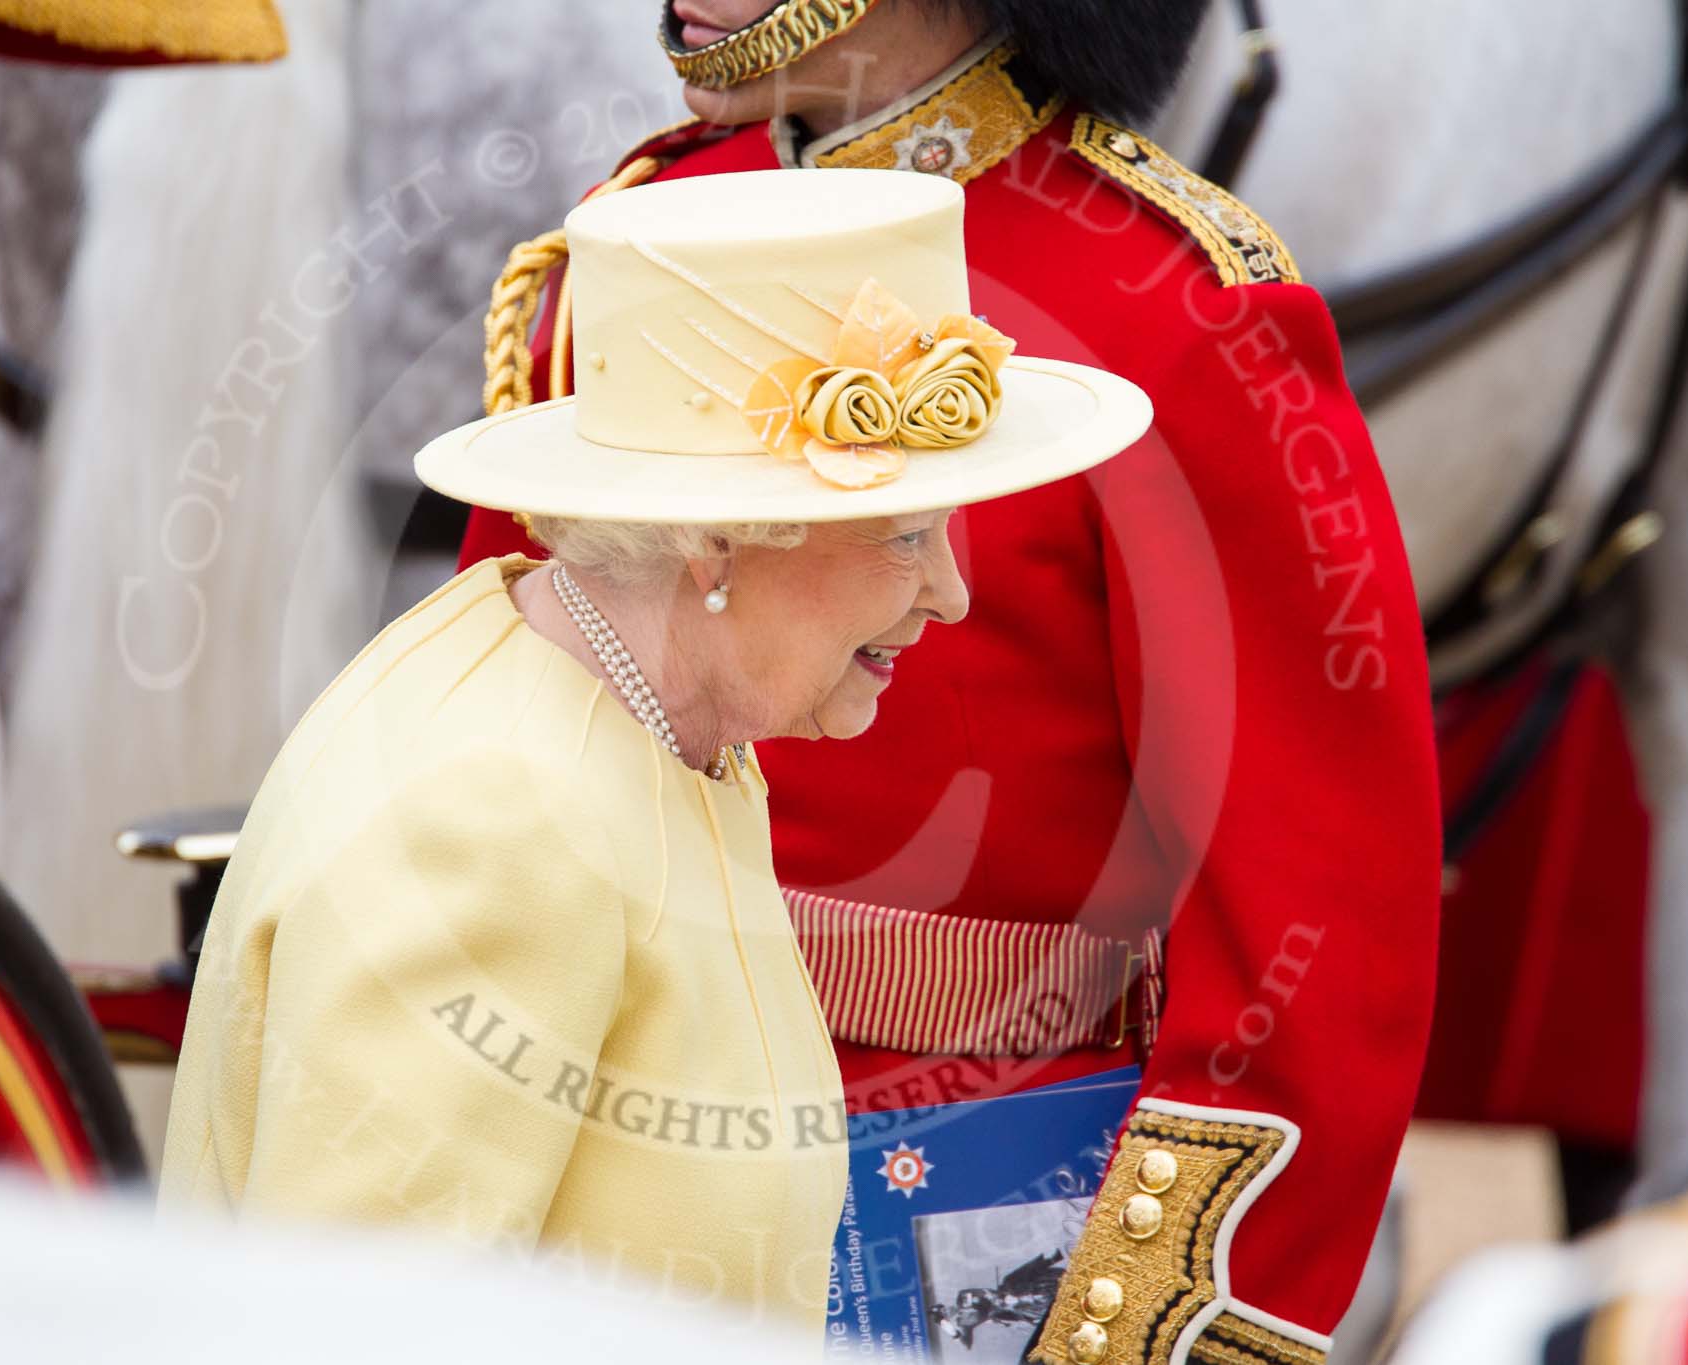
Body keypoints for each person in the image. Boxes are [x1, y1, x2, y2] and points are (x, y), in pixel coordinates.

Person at [458, 2, 1441, 1360]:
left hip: (977, 1190)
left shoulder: (1171, 306)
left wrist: (1137, 1324)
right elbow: (491, 734)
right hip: (604, 1149)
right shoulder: (635, 238)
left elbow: (1313, 919)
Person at [158, 167, 1151, 1337]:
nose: (948, 593)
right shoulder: (500, 820)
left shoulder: (642, 713)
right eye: (903, 534)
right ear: (716, 546)